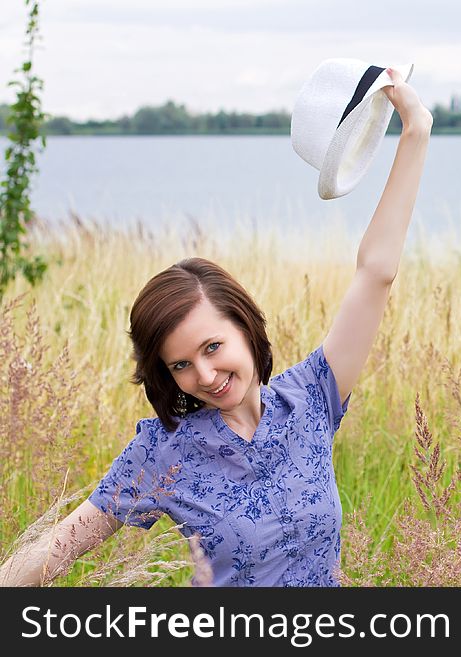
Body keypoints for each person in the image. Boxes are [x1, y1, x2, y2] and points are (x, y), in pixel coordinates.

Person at [0, 67, 432, 587]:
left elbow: (377, 272)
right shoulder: (165, 450)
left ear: (246, 329)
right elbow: (57, 550)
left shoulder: (312, 397)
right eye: (181, 364)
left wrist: (415, 133)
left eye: (212, 346)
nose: (204, 374)